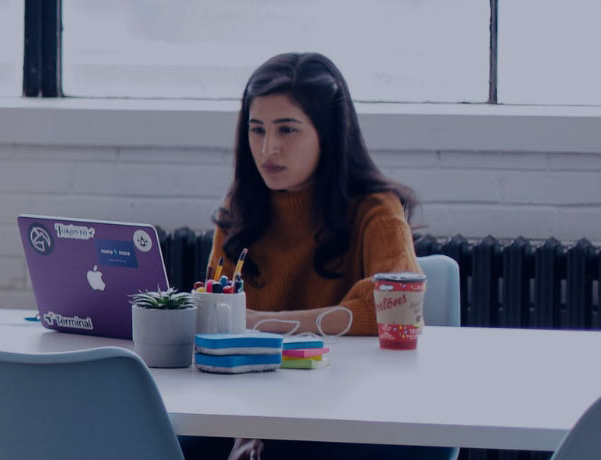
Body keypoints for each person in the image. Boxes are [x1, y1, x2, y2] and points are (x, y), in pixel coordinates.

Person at [185, 52, 451, 460]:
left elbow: (392, 311)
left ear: (328, 134)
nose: (268, 148)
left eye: (287, 129)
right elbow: (217, 315)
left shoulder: (377, 210)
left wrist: (261, 324)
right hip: (249, 406)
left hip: (350, 413)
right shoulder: (241, 209)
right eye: (256, 130)